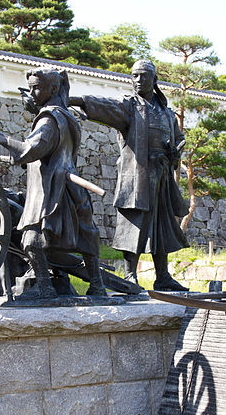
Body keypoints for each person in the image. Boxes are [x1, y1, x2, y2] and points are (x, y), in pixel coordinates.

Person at [0, 68, 105, 299]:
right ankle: (97, 286)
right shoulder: (64, 115)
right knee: (86, 236)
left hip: (53, 190)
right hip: (69, 186)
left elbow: (33, 149)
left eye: (36, 87)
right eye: (30, 87)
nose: (32, 92)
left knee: (31, 239)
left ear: (54, 89)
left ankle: (45, 287)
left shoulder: (50, 118)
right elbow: (49, 153)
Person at [69, 59, 189, 291]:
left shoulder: (167, 113)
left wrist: (176, 150)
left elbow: (179, 137)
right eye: (134, 76)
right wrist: (70, 100)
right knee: (134, 224)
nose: (138, 80)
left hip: (161, 175)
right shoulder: (130, 107)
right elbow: (103, 105)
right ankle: (129, 275)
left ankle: (162, 276)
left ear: (154, 80)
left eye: (143, 76)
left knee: (161, 226)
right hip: (137, 177)